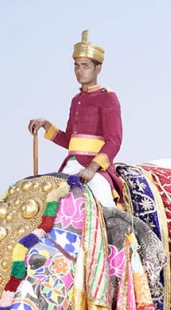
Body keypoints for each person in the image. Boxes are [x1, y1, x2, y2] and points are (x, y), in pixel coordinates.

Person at [28, 30, 123, 207]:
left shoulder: (108, 97)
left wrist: (92, 168)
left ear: (98, 68)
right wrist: (46, 125)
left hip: (96, 170)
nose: (79, 71)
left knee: (106, 208)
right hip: (70, 167)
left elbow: (114, 140)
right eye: (76, 66)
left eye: (85, 66)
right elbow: (70, 141)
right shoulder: (76, 100)